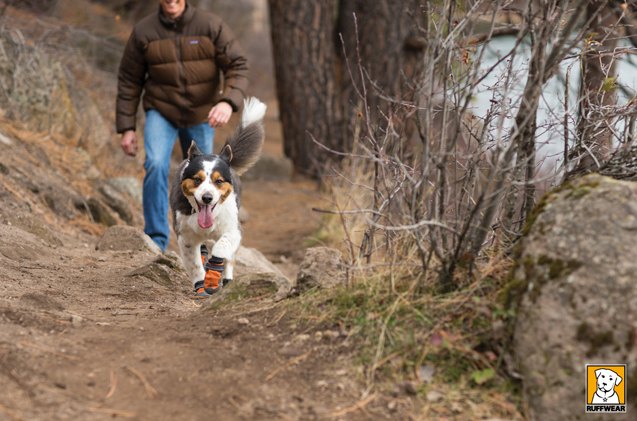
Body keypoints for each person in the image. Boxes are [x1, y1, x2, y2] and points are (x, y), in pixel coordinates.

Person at [116, 0, 248, 252]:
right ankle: (156, 241)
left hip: (201, 114)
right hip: (161, 110)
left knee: (206, 181)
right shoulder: (144, 30)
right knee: (155, 164)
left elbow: (238, 65)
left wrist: (227, 102)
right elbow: (129, 81)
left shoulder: (210, 25)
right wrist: (127, 127)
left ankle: (202, 238)